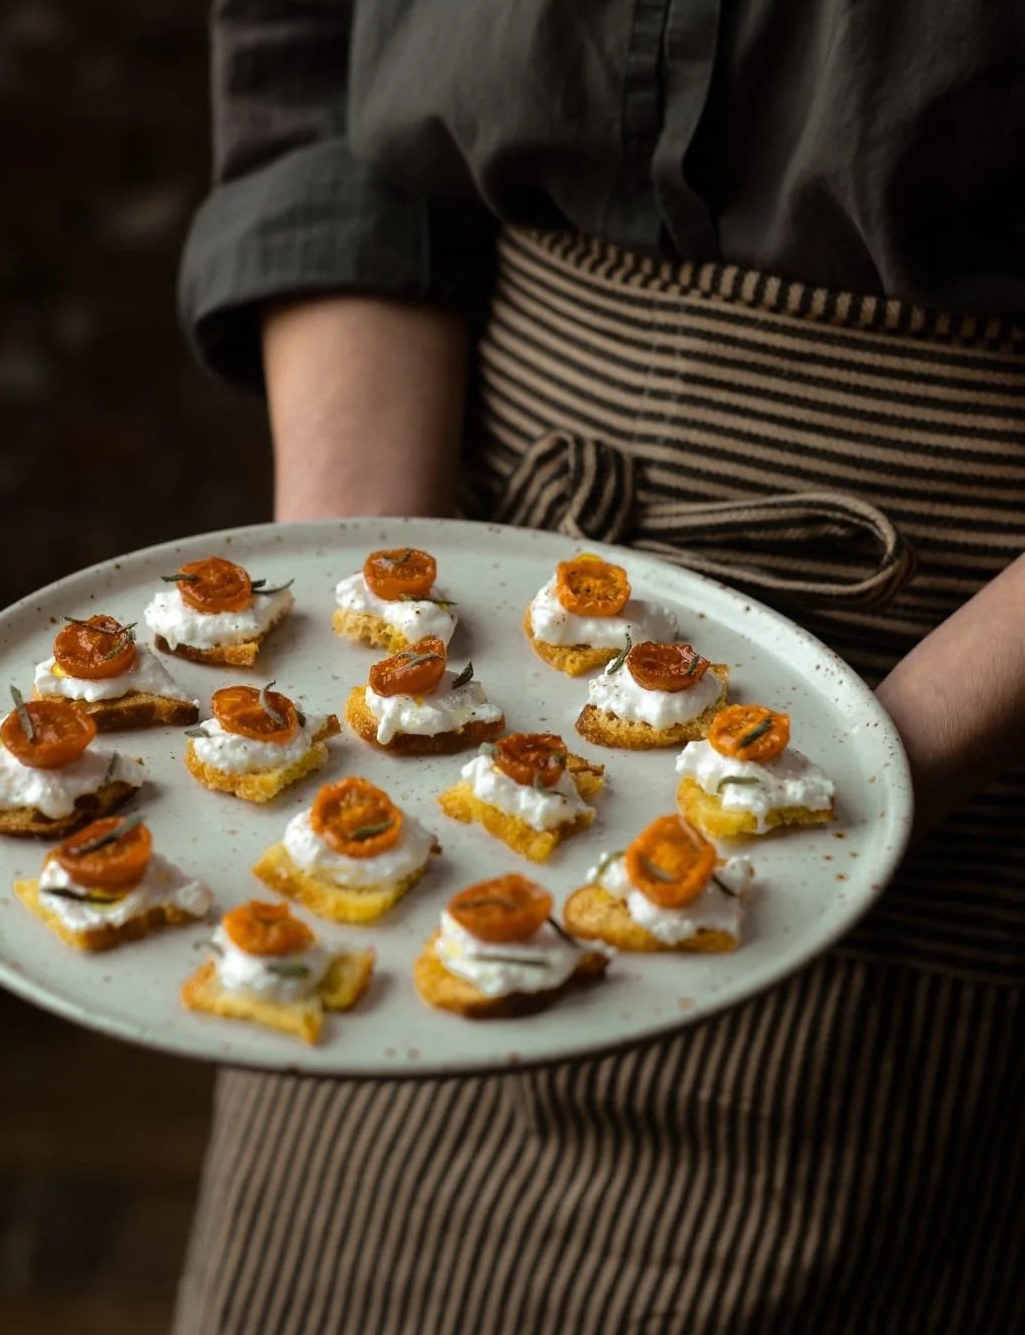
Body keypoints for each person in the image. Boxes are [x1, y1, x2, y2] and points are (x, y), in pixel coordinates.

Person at [170, 4, 1025, 1331]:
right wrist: (368, 604)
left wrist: (877, 767)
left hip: (966, 692)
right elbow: (312, 62)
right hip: (474, 601)